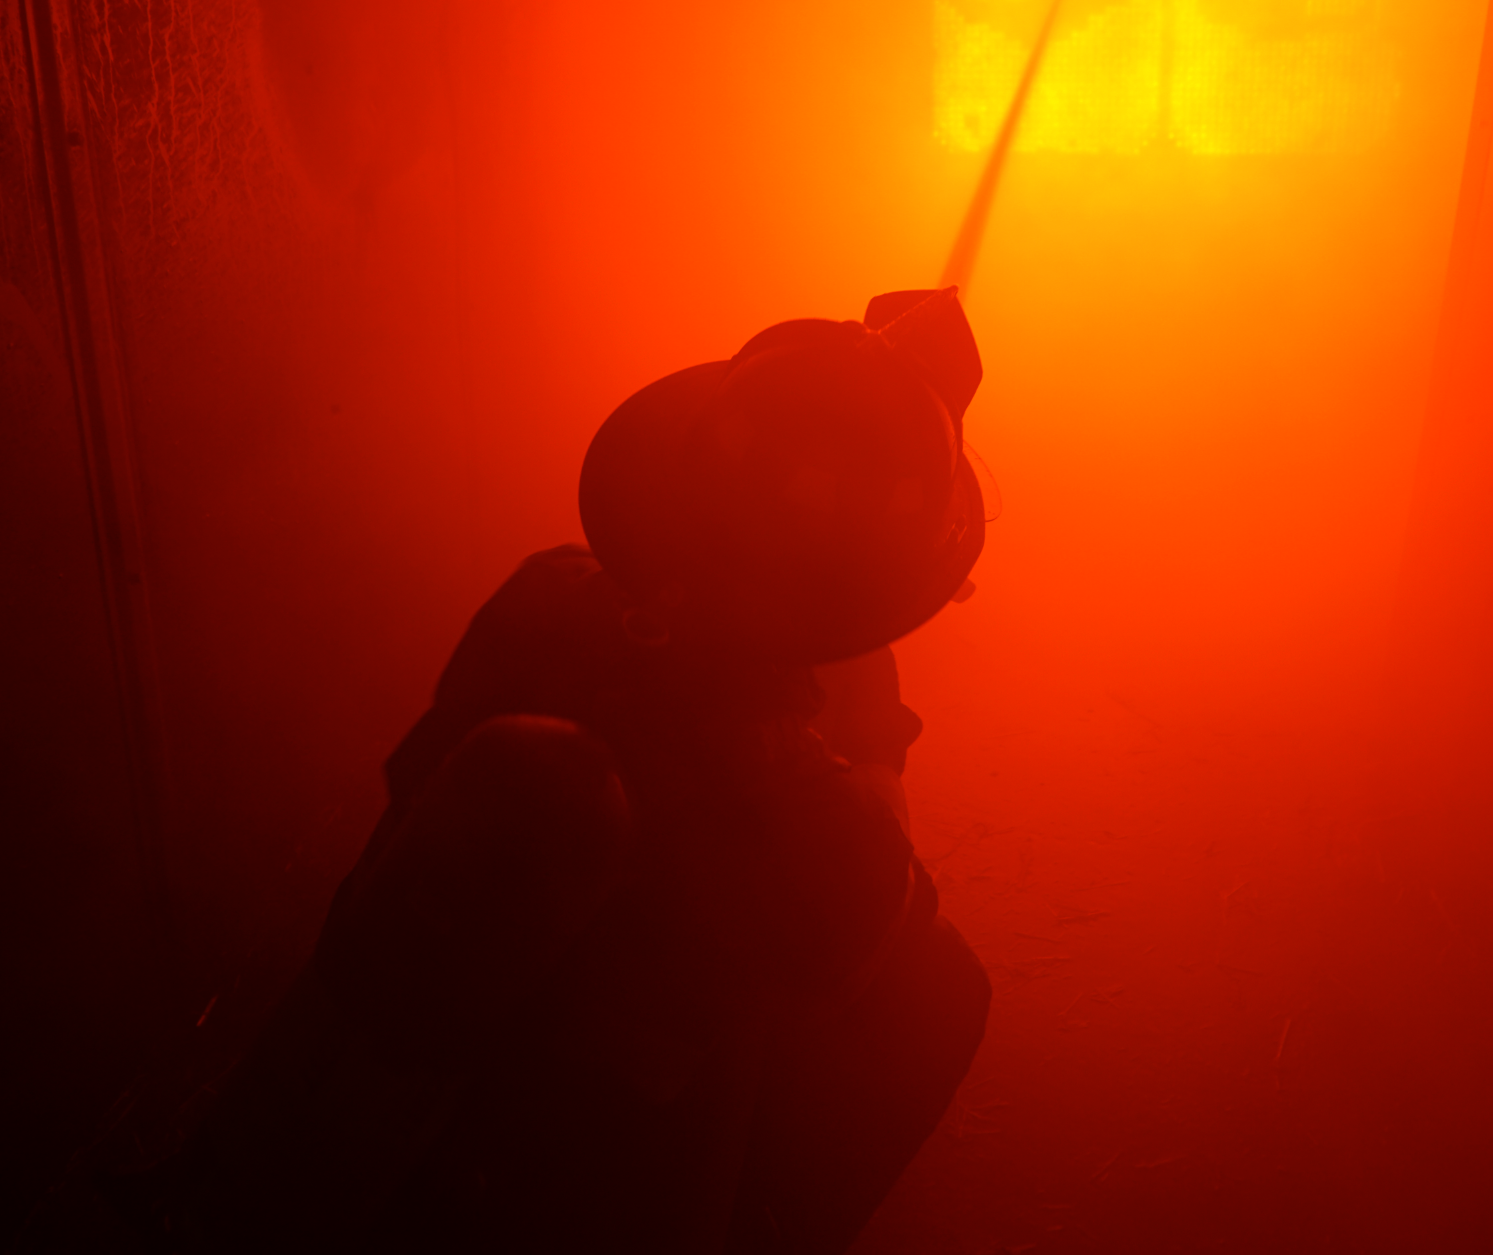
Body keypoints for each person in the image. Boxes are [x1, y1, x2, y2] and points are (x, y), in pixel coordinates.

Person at [168, 287, 994, 1252]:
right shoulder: (822, 826)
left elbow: (414, 782)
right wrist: (868, 736)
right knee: (947, 989)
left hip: (335, 1123)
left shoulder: (543, 596)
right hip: (580, 1175)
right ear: (887, 579)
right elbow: (857, 940)